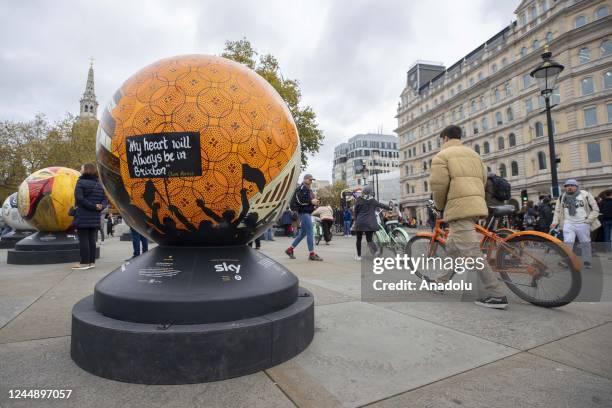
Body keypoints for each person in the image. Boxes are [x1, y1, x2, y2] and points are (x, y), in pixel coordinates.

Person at [430, 125, 508, 309]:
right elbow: (482, 180)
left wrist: (440, 206)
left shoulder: (442, 156)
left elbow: (439, 186)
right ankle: (441, 281)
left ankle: (496, 294)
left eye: (442, 139)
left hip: (459, 208)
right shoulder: (474, 155)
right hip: (475, 205)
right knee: (453, 246)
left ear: (445, 138)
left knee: (471, 252)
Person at [551, 179, 600, 269]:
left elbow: (595, 209)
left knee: (585, 242)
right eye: (567, 186)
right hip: (568, 223)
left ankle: (587, 261)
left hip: (583, 223)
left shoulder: (585, 194)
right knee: (568, 242)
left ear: (577, 186)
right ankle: (567, 261)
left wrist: (588, 220)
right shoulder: (562, 197)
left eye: (572, 185)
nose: (569, 187)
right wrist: (555, 222)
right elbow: (557, 211)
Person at [73, 163, 107, 270]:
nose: (80, 170)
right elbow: (105, 199)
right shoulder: (99, 184)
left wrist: (93, 206)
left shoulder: (80, 182)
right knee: (92, 239)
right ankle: (92, 262)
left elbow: (79, 199)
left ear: (86, 170)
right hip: (95, 216)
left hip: (83, 215)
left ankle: (84, 263)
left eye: (81, 168)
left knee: (83, 239)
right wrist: (100, 206)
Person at [285, 174, 323, 261]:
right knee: (310, 232)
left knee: (303, 233)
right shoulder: (301, 188)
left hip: (306, 212)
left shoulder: (308, 189)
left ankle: (290, 250)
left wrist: (315, 202)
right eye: (310, 180)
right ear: (305, 179)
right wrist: (311, 201)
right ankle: (312, 254)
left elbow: (306, 201)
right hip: (303, 212)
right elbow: (300, 200)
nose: (311, 182)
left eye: (312, 180)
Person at [353, 185, 391, 260]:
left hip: (360, 222)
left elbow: (356, 211)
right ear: (370, 192)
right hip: (370, 222)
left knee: (359, 239)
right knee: (369, 239)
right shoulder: (372, 200)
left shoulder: (358, 200)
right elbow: (381, 205)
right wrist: (389, 208)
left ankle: (359, 256)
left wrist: (356, 220)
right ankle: (376, 251)